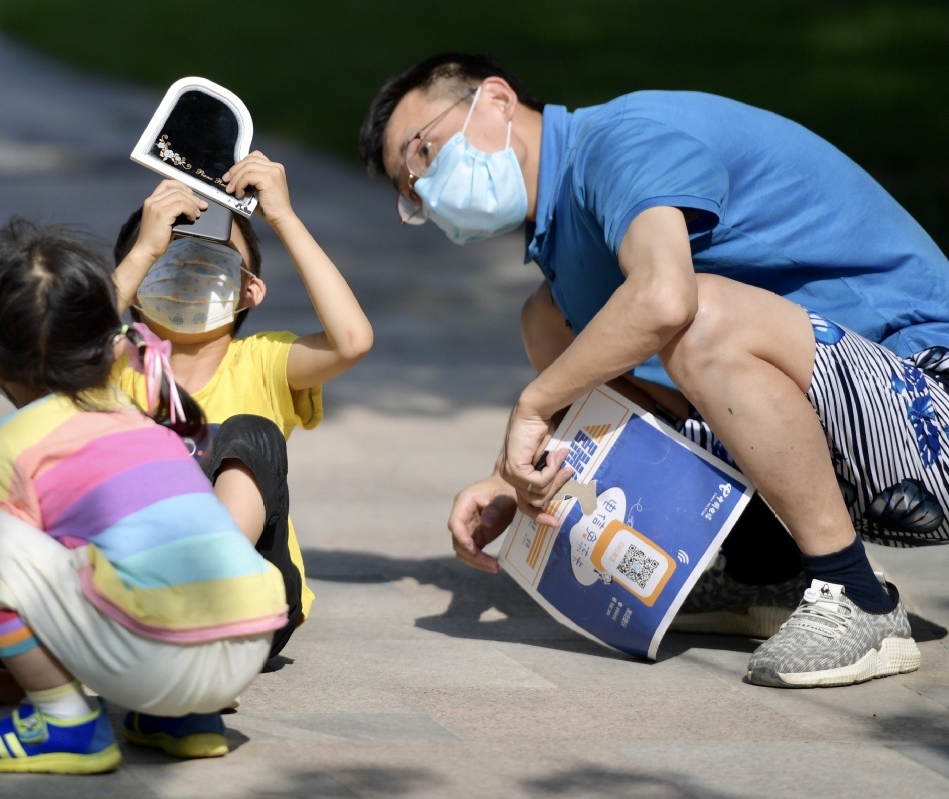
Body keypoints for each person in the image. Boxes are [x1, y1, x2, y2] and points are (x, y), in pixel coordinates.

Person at [358, 52, 949, 687]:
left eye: (422, 152)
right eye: (408, 190)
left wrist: (532, 406)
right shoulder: (561, 246)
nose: (422, 187)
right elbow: (606, 366)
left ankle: (856, 594)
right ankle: (765, 569)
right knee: (551, 328)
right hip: (863, 442)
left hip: (928, 406)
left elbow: (669, 300)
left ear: (497, 100)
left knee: (696, 318)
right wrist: (513, 480)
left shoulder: (619, 141)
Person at [0, 219, 288, 772]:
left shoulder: (8, 443)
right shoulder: (144, 420)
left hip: (155, 657)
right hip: (246, 645)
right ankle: (179, 719)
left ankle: (65, 722)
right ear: (114, 347)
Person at [109, 154, 374, 659]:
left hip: (248, 603)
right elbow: (58, 348)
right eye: (171, 252)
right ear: (137, 277)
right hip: (126, 579)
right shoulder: (116, 363)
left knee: (250, 433)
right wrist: (144, 246)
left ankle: (200, 589)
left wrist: (285, 219)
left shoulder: (261, 363)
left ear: (248, 289)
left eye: (213, 258)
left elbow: (352, 340)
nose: (189, 267)